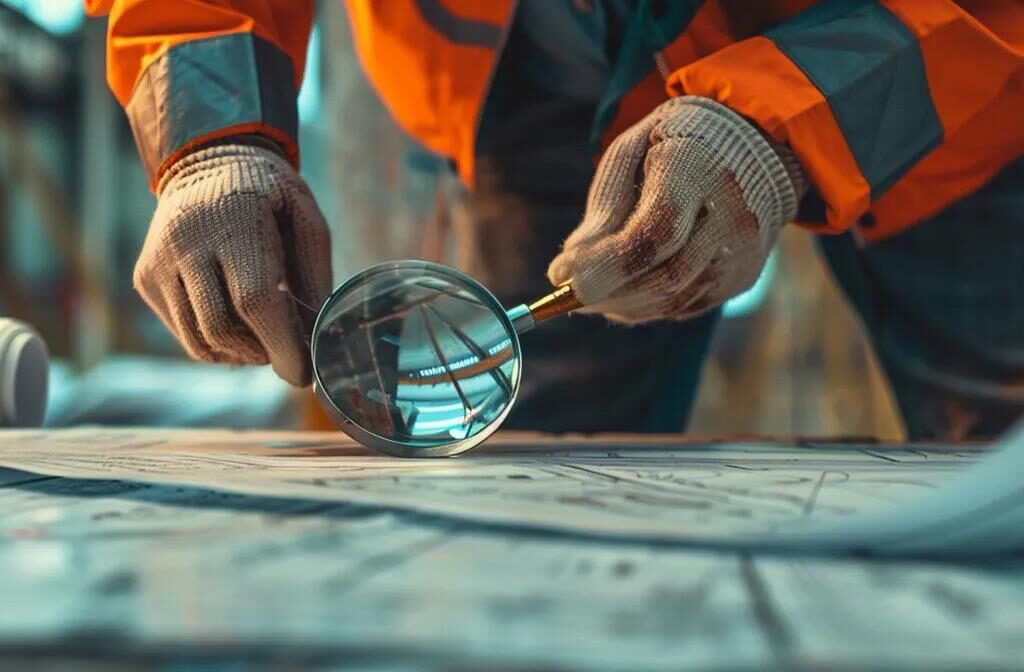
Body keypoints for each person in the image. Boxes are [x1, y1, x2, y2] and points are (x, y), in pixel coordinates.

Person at [85, 0, 1024, 440]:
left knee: (998, 488)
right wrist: (213, 135)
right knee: (548, 485)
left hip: (935, 98)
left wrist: (779, 127)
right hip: (531, 87)